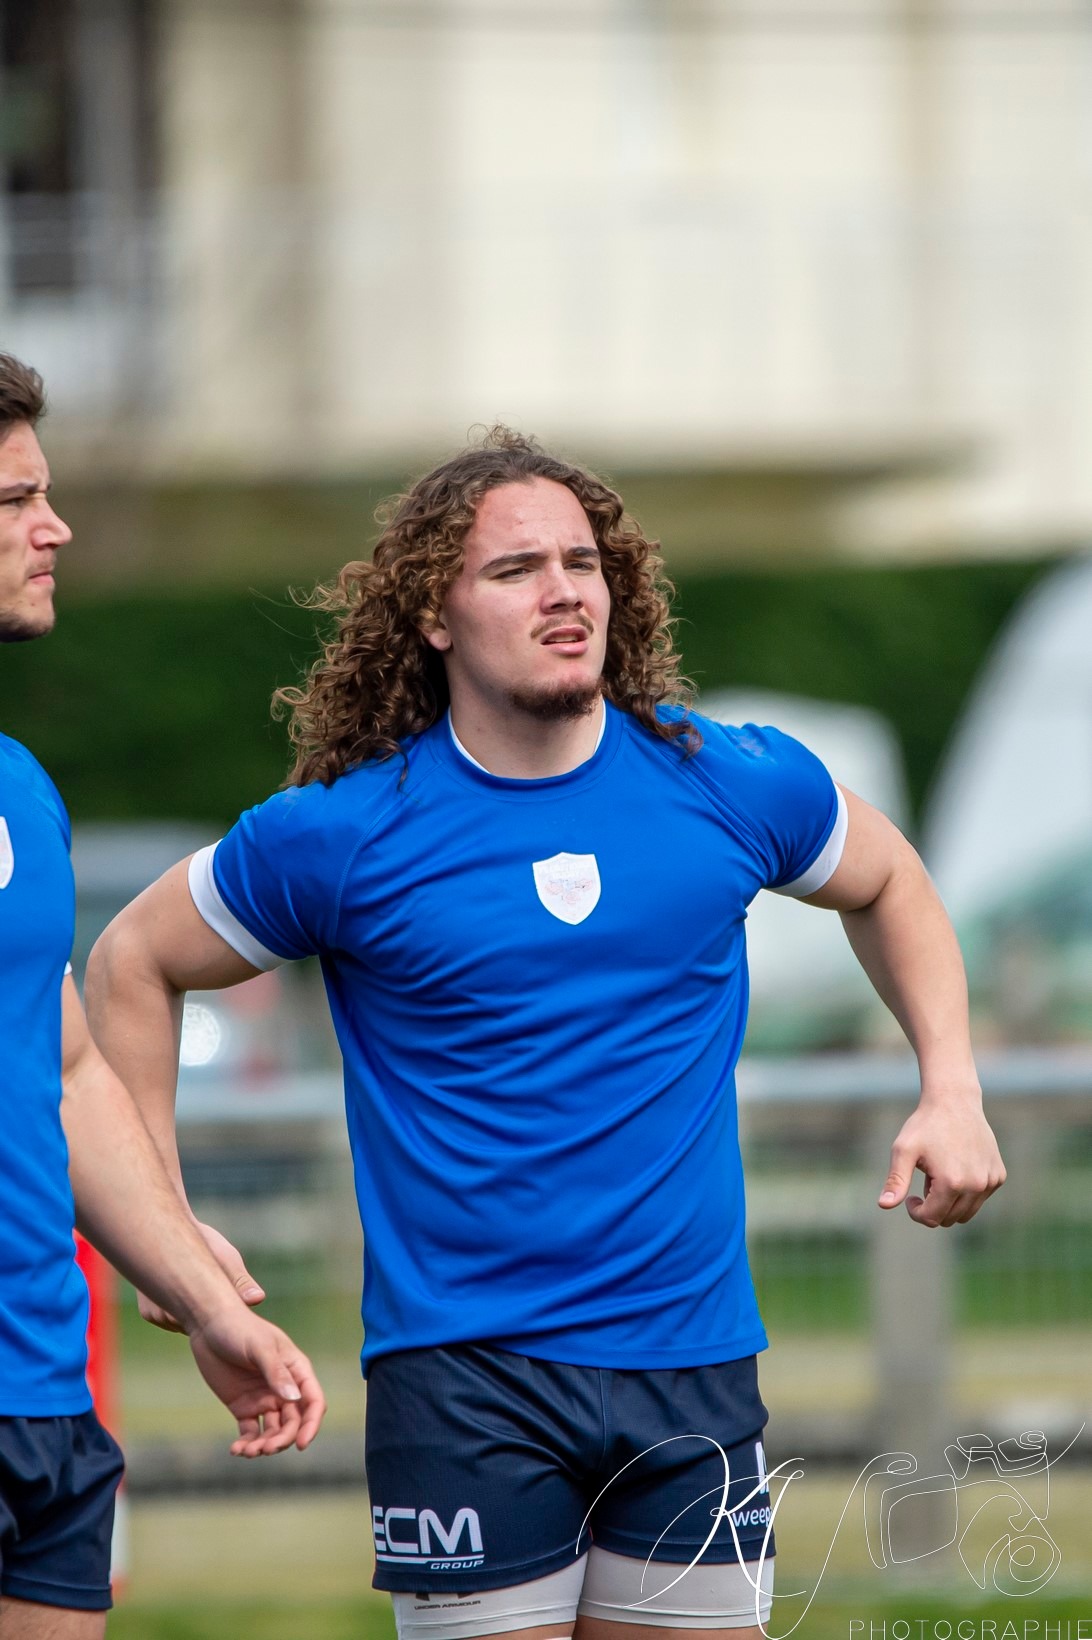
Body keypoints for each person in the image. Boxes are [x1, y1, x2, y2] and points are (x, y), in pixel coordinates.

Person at [86, 428, 1005, 1640]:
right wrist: (166, 1212)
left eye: (583, 560)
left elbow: (888, 878)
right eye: (516, 569)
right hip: (463, 1377)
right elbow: (131, 959)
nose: (565, 589)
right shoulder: (347, 834)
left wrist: (952, 1084)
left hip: (693, 1365)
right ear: (433, 614)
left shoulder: (725, 780)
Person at [0, 353, 326, 1639]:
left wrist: (198, 1292)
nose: (55, 526)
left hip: (42, 1387)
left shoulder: (21, 785)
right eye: (17, 498)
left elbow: (66, 1066)